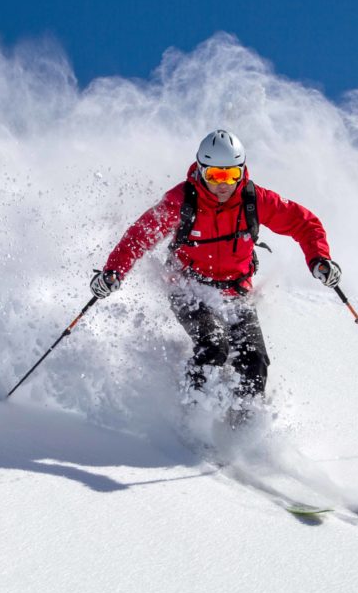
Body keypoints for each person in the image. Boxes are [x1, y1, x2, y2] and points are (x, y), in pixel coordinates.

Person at [89, 130, 341, 425]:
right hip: (188, 288)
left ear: (242, 171)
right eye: (215, 175)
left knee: (254, 360)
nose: (223, 184)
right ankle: (191, 417)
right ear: (200, 169)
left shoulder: (254, 199)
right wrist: (113, 272)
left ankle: (242, 425)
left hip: (236, 292)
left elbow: (303, 223)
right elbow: (140, 235)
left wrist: (319, 259)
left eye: (231, 174)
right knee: (214, 346)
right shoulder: (182, 200)